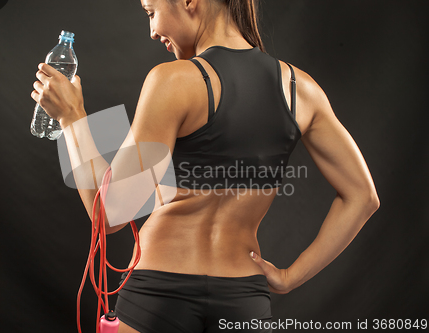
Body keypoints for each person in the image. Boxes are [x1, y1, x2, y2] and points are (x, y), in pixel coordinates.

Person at [31, 0, 380, 332]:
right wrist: (289, 278)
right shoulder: (300, 90)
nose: (152, 31)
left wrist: (72, 117)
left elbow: (108, 216)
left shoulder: (173, 80)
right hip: (244, 299)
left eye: (151, 11)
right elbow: (363, 197)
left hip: (158, 295)